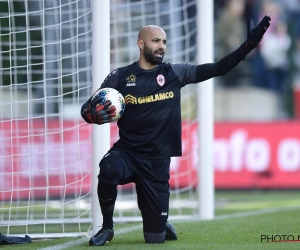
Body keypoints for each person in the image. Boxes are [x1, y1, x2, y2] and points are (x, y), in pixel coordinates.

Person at [81, 16, 271, 246]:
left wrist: (248, 45)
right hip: (128, 153)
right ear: (141, 44)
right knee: (108, 168)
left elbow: (219, 69)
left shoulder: (175, 73)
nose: (161, 46)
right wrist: (90, 115)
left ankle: (160, 220)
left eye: (164, 41)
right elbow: (90, 107)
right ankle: (107, 227)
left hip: (157, 162)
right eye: (155, 41)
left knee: (154, 239)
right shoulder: (119, 76)